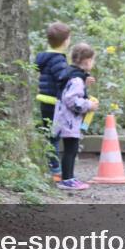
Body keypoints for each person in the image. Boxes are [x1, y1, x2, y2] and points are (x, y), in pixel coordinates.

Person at [51, 43, 101, 191]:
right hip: (69, 120)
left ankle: (69, 177)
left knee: (70, 149)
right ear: (86, 61)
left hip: (65, 118)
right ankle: (67, 179)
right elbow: (71, 99)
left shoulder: (72, 74)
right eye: (92, 60)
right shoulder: (77, 79)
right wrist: (88, 105)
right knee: (70, 150)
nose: (93, 63)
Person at [35, 22, 76, 181]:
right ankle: (55, 170)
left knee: (50, 135)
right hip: (55, 104)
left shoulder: (44, 58)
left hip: (45, 102)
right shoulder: (58, 60)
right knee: (55, 137)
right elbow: (63, 80)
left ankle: (53, 168)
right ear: (66, 41)